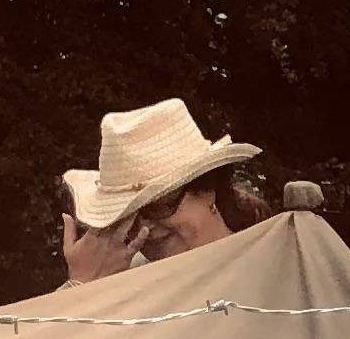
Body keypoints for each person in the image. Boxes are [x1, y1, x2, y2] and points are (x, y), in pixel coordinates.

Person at [58, 99, 268, 284]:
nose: (145, 228)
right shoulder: (125, 282)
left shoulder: (271, 264)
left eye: (158, 205)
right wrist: (84, 285)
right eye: (128, 218)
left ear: (208, 189)